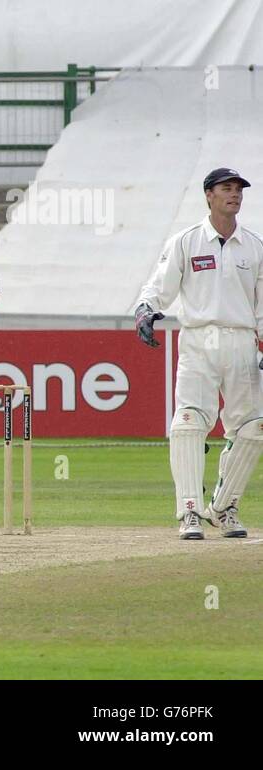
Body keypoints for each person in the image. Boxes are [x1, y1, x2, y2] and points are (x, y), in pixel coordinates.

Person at [136, 167, 263, 540]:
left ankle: (224, 507)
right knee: (190, 421)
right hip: (198, 338)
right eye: (226, 188)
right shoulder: (187, 241)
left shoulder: (254, 246)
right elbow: (159, 285)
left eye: (239, 189)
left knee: (254, 427)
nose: (234, 195)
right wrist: (146, 309)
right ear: (209, 194)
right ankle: (189, 510)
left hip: (241, 340)